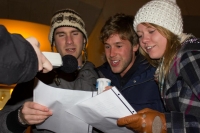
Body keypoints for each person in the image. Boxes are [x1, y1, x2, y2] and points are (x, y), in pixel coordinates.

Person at [0, 9, 101, 133]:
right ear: (53, 42)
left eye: (75, 33)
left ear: (84, 40)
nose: (69, 41)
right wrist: (19, 118)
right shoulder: (36, 76)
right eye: (61, 34)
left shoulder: (101, 76)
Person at [117, 0, 200, 133]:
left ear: (169, 30)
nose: (144, 40)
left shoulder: (190, 56)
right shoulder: (165, 68)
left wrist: (163, 123)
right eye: (140, 35)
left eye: (151, 31)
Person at [97, 13, 164, 112]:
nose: (111, 54)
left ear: (135, 46)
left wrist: (120, 105)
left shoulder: (156, 78)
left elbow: (164, 119)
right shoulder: (99, 75)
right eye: (107, 46)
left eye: (118, 46)